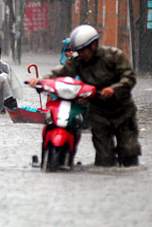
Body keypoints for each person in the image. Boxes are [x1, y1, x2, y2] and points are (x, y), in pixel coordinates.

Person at [28, 24, 141, 167]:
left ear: (93, 45)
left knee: (129, 152)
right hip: (98, 112)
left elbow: (129, 77)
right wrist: (42, 81)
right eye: (78, 51)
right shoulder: (78, 61)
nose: (81, 54)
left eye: (83, 50)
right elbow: (61, 71)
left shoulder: (114, 56)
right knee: (104, 158)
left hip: (122, 111)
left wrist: (113, 89)